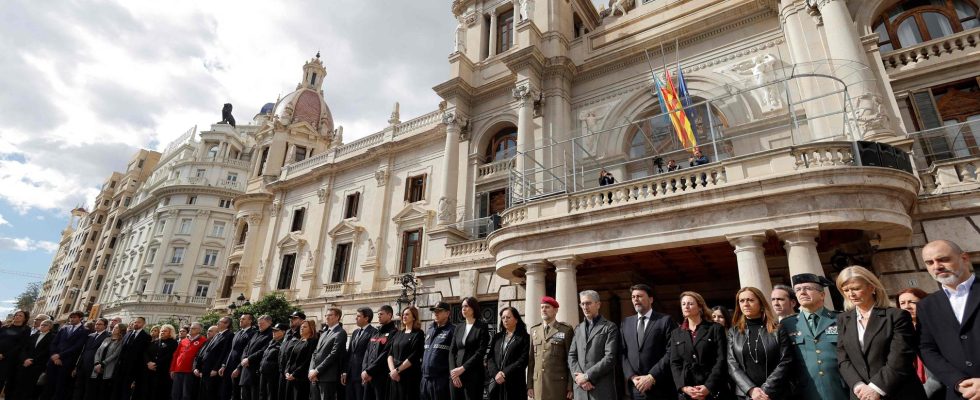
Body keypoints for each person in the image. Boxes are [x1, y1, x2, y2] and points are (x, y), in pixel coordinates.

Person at [836, 266, 925, 400]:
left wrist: (876, 388)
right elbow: (843, 358)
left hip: (899, 392)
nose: (851, 294)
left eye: (856, 288)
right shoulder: (843, 319)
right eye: (846, 290)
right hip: (861, 395)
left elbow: (901, 357)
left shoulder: (896, 316)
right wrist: (858, 386)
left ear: (872, 288)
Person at [916, 239, 980, 400]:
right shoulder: (926, 305)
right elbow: (926, 348)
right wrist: (957, 381)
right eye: (929, 262)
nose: (936, 266)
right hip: (960, 394)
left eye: (943, 259)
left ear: (964, 258)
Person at [782, 274, 847, 400]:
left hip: (840, 388)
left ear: (822, 295)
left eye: (807, 288)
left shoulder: (840, 319)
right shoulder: (787, 324)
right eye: (798, 290)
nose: (802, 292)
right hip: (806, 391)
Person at [726, 287, 793, 400]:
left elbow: (786, 360)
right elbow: (732, 363)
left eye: (750, 300)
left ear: (761, 303)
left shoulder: (778, 329)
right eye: (742, 301)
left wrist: (765, 390)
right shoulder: (734, 331)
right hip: (746, 394)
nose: (746, 304)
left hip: (775, 393)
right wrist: (751, 390)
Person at [670, 291, 729, 400]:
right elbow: (675, 363)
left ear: (700, 307)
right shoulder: (676, 333)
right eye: (683, 304)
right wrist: (683, 387)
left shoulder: (715, 329)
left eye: (690, 303)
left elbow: (721, 359)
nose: (686, 306)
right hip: (687, 392)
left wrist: (708, 386)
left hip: (713, 391)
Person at [620, 284, 676, 399]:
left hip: (660, 386)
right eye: (633, 297)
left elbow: (672, 351)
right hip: (635, 387)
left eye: (639, 296)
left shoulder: (665, 321)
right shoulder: (626, 322)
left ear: (651, 299)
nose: (635, 299)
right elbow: (622, 352)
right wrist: (632, 377)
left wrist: (651, 376)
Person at [569, 290, 620, 400]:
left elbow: (610, 358)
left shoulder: (610, 327)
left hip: (600, 389)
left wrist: (587, 376)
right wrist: (579, 379)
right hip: (580, 390)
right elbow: (571, 356)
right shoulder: (578, 328)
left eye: (588, 303)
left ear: (598, 304)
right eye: (582, 304)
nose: (585, 307)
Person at [897, 287, 945, 400]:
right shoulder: (901, 332)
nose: (906, 307)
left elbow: (936, 377)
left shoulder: (936, 327)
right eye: (902, 303)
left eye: (912, 302)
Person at [527, 296, 575, 400]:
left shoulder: (565, 330)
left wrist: (570, 386)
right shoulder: (534, 330)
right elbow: (531, 361)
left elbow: (570, 360)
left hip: (558, 386)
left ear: (555, 310)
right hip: (538, 384)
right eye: (542, 307)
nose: (543, 310)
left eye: (547, 307)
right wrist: (529, 384)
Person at [449, 297, 490, 400]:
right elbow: (452, 351)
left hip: (473, 375)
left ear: (473, 308)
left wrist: (463, 368)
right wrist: (454, 373)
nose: (463, 309)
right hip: (456, 376)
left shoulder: (482, 327)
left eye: (466, 306)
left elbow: (480, 352)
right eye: (462, 306)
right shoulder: (458, 327)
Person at [486, 307, 529, 400]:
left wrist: (504, 373)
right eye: (503, 317)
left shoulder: (524, 338)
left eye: (508, 317)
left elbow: (523, 360)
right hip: (497, 383)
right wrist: (496, 374)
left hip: (514, 383)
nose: (505, 320)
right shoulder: (497, 337)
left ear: (516, 319)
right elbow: (490, 358)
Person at [46, 310, 90, 400]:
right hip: (54, 360)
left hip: (67, 362)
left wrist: (60, 356)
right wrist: (54, 355)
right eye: (71, 317)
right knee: (49, 385)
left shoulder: (84, 331)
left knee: (60, 387)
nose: (72, 319)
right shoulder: (64, 328)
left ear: (80, 318)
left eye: (74, 317)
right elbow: (54, 343)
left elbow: (77, 346)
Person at [386, 306, 425, 400]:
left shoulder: (418, 334)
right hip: (394, 376)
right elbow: (390, 354)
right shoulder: (398, 333)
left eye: (407, 314)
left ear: (414, 317)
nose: (404, 316)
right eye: (403, 314)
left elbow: (415, 355)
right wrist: (393, 371)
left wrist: (398, 370)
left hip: (409, 375)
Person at [310, 308, 347, 400]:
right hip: (315, 376)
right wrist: (311, 370)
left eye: (330, 315)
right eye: (326, 315)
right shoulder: (324, 333)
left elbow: (334, 354)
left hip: (328, 377)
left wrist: (317, 370)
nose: (327, 317)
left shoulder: (340, 333)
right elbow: (315, 352)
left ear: (337, 317)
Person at [363, 306, 397, 400]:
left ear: (389, 315)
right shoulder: (376, 332)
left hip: (381, 378)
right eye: (378, 314)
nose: (378, 316)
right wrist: (365, 370)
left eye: (381, 314)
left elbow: (385, 354)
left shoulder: (394, 333)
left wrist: (369, 371)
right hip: (368, 377)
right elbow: (367, 352)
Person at [420, 303, 452, 400]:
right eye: (434, 311)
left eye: (439, 311)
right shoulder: (430, 330)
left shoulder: (452, 331)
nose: (436, 313)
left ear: (447, 313)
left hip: (440, 381)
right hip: (425, 380)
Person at [196, 316, 234, 400]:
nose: (217, 323)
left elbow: (224, 353)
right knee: (203, 393)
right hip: (206, 368)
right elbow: (208, 351)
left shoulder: (229, 335)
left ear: (227, 324)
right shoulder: (217, 335)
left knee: (211, 393)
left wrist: (216, 368)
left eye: (220, 321)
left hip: (213, 369)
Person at [15, 318, 54, 399]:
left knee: (31, 388)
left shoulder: (52, 337)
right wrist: (25, 359)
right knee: (20, 386)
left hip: (38, 365)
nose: (42, 326)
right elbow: (25, 349)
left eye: (45, 325)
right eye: (41, 324)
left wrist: (33, 360)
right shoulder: (33, 335)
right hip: (25, 363)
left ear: (50, 327)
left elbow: (46, 352)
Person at [346, 307, 378, 400]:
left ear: (366, 318)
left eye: (358, 316)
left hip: (362, 375)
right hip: (350, 375)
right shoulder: (355, 332)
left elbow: (371, 354)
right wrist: (345, 371)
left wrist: (367, 372)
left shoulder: (374, 332)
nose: (356, 318)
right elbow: (350, 352)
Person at [72, 318, 108, 400]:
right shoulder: (90, 336)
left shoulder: (107, 336)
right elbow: (83, 351)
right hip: (83, 366)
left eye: (100, 324)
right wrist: (77, 366)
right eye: (96, 324)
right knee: (78, 388)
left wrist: (100, 365)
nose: (97, 326)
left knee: (89, 390)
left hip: (94, 367)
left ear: (105, 326)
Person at [86, 322, 124, 400]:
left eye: (117, 328)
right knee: (92, 391)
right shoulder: (107, 339)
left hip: (107, 368)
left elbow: (115, 355)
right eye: (114, 327)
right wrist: (96, 363)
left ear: (121, 330)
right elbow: (98, 351)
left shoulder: (121, 342)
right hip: (97, 368)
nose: (114, 328)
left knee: (102, 392)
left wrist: (102, 364)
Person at [239, 315, 273, 400]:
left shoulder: (271, 334)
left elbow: (263, 350)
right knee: (244, 395)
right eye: (259, 323)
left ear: (270, 323)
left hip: (256, 371)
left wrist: (249, 359)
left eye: (262, 324)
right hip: (246, 369)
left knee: (254, 395)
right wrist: (244, 358)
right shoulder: (256, 333)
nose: (260, 325)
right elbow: (247, 347)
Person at [117, 317, 151, 400]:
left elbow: (144, 353)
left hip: (134, 368)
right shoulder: (128, 333)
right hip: (121, 366)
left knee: (127, 390)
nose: (136, 324)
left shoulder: (146, 336)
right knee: (118, 388)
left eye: (138, 322)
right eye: (135, 322)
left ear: (143, 324)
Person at [171, 322, 207, 400]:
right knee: (175, 393)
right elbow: (176, 355)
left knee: (186, 394)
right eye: (190, 328)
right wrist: (172, 369)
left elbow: (201, 357)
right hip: (178, 370)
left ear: (199, 330)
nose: (191, 330)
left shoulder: (203, 340)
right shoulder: (184, 340)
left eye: (193, 328)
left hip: (190, 371)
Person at [225, 313, 257, 400]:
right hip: (230, 366)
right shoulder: (238, 332)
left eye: (243, 319)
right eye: (240, 319)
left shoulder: (253, 333)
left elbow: (246, 352)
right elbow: (231, 350)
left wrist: (239, 367)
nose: (241, 320)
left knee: (237, 392)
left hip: (240, 367)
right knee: (229, 391)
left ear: (250, 321)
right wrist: (224, 365)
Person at [0, 310, 31, 398]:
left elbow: (20, 346)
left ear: (25, 319)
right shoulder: (5, 327)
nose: (17, 316)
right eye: (16, 315)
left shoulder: (26, 329)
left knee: (1, 380)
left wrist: (4, 355)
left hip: (9, 359)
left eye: (20, 316)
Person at [285, 320, 317, 400]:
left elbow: (307, 361)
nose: (302, 328)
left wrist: (295, 374)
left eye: (305, 327)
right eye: (301, 327)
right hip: (290, 376)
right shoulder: (300, 341)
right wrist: (287, 371)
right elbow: (290, 358)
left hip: (301, 378)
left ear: (311, 329)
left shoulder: (312, 342)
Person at [260, 323, 288, 400]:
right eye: (273, 331)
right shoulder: (272, 342)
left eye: (276, 331)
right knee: (262, 395)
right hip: (264, 373)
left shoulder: (285, 344)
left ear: (283, 332)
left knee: (271, 395)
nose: (273, 332)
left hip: (274, 375)